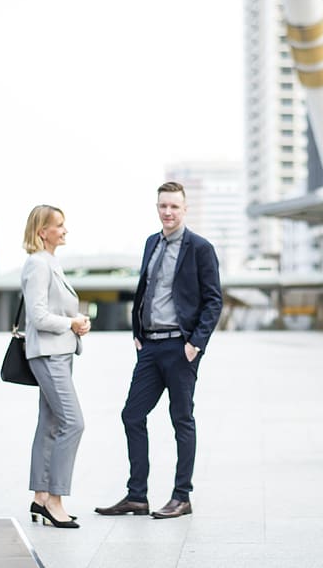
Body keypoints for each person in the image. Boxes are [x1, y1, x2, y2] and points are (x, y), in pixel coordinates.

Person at [96, 181, 222, 519]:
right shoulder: (151, 243)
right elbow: (146, 289)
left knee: (181, 419)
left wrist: (196, 343)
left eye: (174, 207)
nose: (168, 212)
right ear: (157, 208)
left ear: (184, 209)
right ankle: (137, 496)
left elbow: (213, 300)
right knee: (132, 415)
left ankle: (182, 496)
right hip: (149, 347)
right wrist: (138, 332)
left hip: (181, 348)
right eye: (163, 206)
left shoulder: (200, 248)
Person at [22, 205, 90, 529]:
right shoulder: (37, 264)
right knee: (73, 423)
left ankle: (39, 498)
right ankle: (55, 501)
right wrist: (72, 322)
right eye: (59, 225)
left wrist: (74, 324)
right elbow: (37, 316)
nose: (65, 231)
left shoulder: (51, 262)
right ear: (42, 231)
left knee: (50, 424)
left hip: (58, 353)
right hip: (48, 355)